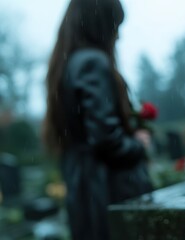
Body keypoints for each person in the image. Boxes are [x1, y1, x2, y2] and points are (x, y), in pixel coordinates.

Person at [42, 0, 153, 239]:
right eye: (115, 26)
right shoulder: (92, 62)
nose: (118, 36)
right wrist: (138, 144)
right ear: (100, 24)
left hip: (84, 189)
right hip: (106, 189)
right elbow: (106, 140)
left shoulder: (68, 64)